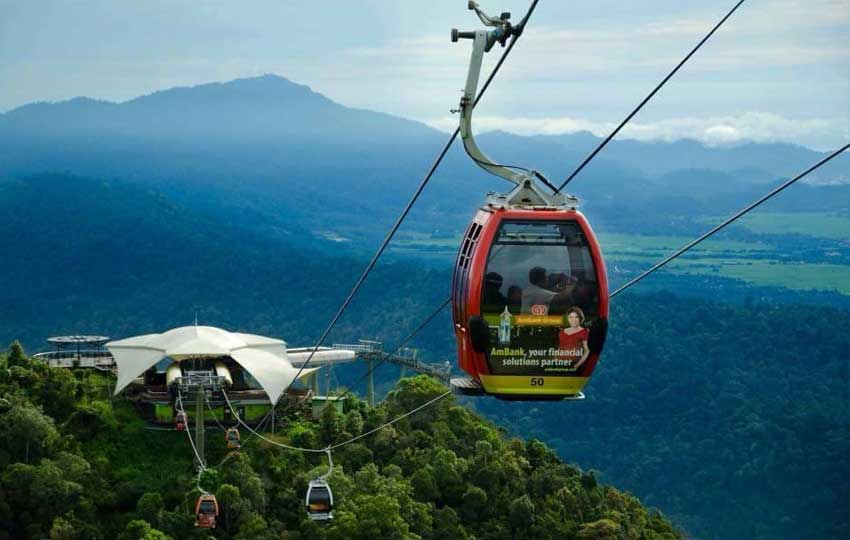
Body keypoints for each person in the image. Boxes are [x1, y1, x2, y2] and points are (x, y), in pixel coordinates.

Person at [559, 306, 590, 371]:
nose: (573, 320)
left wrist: (577, 365)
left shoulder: (584, 331)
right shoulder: (562, 332)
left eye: (576, 317)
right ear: (568, 318)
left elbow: (587, 351)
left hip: (574, 364)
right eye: (571, 317)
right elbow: (560, 349)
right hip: (560, 364)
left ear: (580, 318)